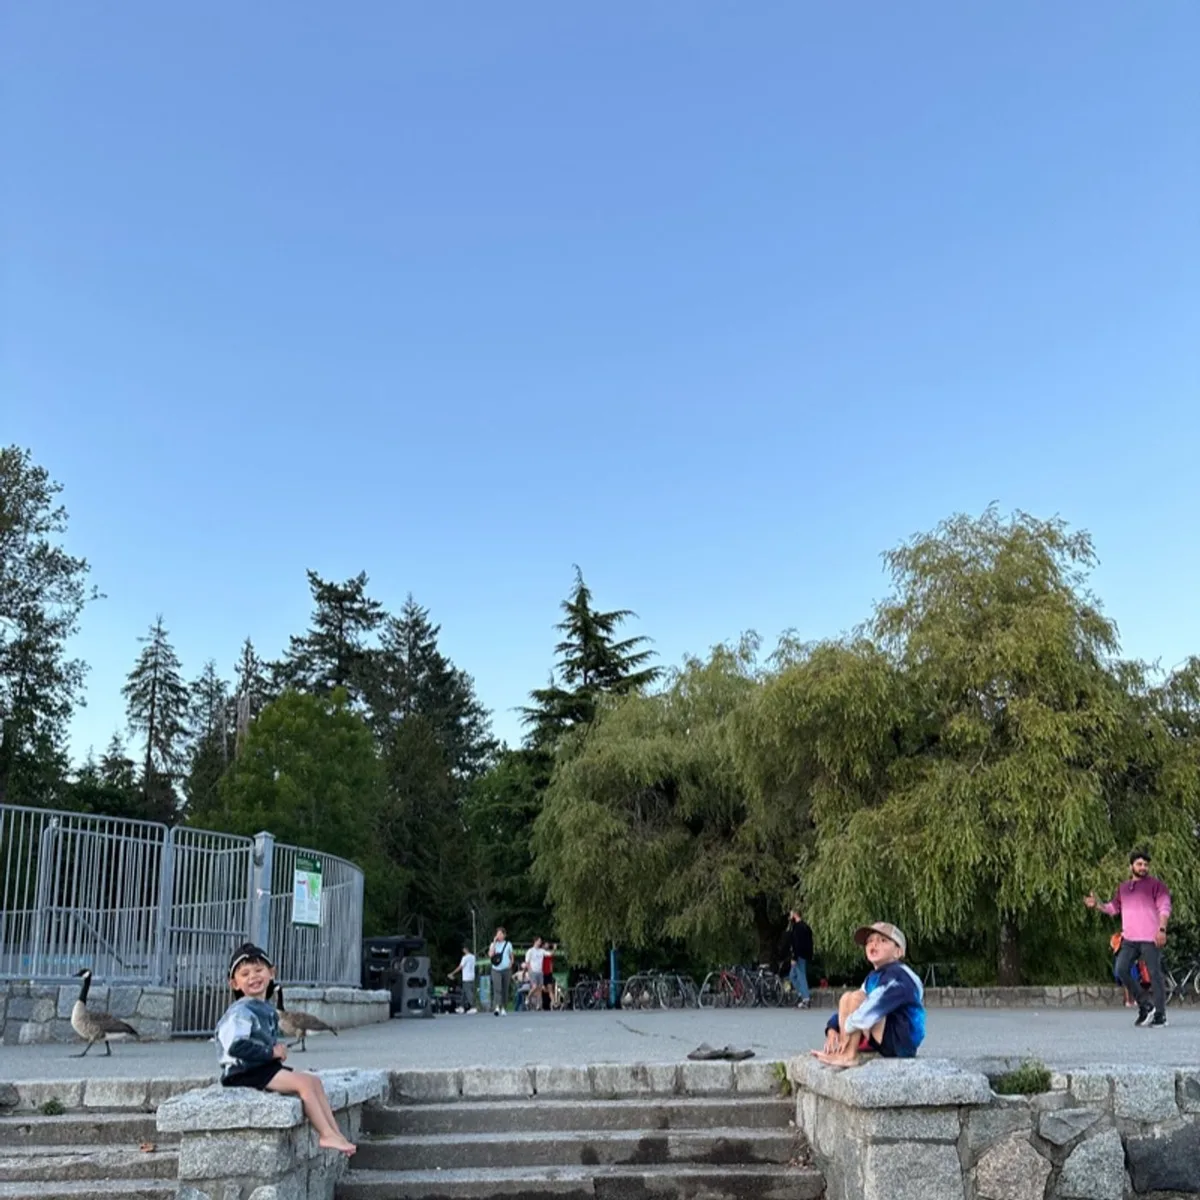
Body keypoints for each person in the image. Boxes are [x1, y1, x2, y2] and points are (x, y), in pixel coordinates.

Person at [215, 942, 355, 1155]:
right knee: (304, 1084)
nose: (253, 977)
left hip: (259, 1068)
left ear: (272, 973)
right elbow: (236, 1046)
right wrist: (271, 1053)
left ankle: (336, 1133)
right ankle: (325, 1134)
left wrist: (274, 1052)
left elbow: (260, 1040)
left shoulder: (264, 1009)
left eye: (259, 970)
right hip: (242, 1072)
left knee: (314, 1082)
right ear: (234, 983)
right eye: (245, 974)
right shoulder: (241, 1012)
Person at [811, 922, 925, 1068]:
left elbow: (873, 1006)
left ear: (898, 952)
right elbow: (854, 1005)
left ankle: (849, 1055)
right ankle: (844, 1052)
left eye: (883, 940)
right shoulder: (874, 976)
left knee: (856, 998)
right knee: (847, 997)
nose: (874, 944)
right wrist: (833, 1027)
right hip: (885, 1031)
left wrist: (847, 1027)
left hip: (902, 1040)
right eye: (870, 941)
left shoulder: (899, 976)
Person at [1086, 849, 1172, 1028]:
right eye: (1139, 864)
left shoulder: (1156, 886)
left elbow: (1164, 907)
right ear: (1131, 866)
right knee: (1121, 969)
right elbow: (1113, 908)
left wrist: (1162, 929)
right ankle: (1145, 1005)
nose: (1143, 867)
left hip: (1150, 938)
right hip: (1130, 939)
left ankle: (1160, 1015)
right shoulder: (1124, 888)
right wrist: (1097, 905)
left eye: (1146, 865)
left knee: (1155, 975)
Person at [787, 910, 814, 1009]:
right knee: (792, 976)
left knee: (801, 976)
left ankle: (806, 998)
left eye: (791, 914)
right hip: (804, 954)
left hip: (799, 956)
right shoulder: (806, 927)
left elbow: (796, 943)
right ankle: (803, 994)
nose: (790, 916)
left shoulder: (797, 928)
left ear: (795, 914)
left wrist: (794, 957)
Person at [488, 926, 513, 1016]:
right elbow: (490, 955)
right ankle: (497, 1007)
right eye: (497, 934)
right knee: (497, 988)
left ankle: (504, 1007)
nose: (499, 935)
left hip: (506, 969)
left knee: (505, 989)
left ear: (504, 935)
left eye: (500, 934)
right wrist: (494, 943)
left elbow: (511, 955)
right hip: (496, 969)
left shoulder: (508, 944)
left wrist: (511, 963)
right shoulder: (493, 944)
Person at [449, 943, 477, 1014]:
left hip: (466, 977)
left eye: (463, 949)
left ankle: (473, 1007)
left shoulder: (465, 958)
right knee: (464, 993)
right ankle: (461, 1007)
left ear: (465, 949)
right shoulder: (473, 957)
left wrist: (452, 973)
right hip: (471, 976)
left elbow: (460, 967)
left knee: (468, 993)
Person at [524, 937, 548, 1012]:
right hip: (533, 971)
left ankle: (538, 1005)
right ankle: (528, 997)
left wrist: (554, 948)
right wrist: (530, 970)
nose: (540, 942)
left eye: (541, 941)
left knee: (539, 989)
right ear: (535, 941)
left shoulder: (541, 951)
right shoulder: (530, 951)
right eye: (539, 941)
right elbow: (527, 962)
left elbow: (549, 954)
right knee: (534, 987)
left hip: (540, 972)